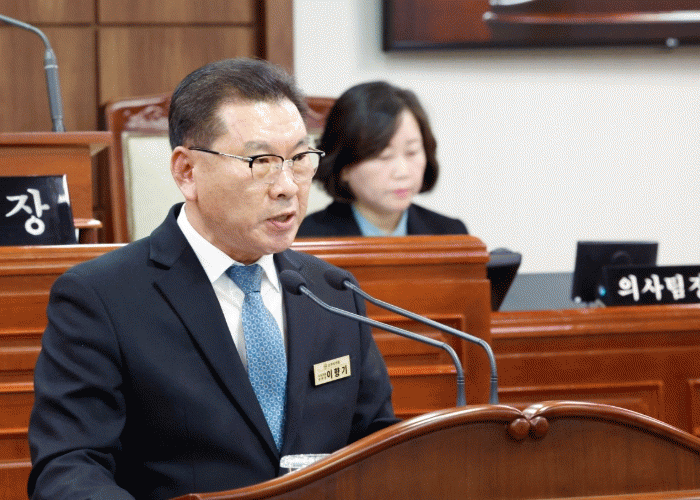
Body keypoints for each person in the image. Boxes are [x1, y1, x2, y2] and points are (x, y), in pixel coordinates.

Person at [27, 58, 398, 500]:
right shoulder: (100, 298)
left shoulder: (332, 291)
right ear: (187, 171)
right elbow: (69, 468)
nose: (287, 186)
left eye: (300, 159)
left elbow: (379, 446)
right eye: (261, 161)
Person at [296, 81, 468, 237]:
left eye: (412, 152)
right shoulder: (308, 238)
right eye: (384, 156)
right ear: (344, 166)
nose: (402, 172)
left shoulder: (451, 234)